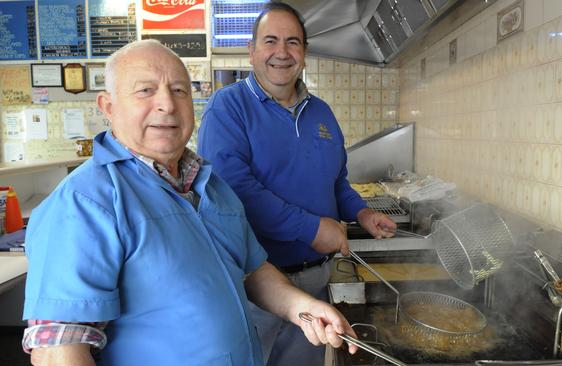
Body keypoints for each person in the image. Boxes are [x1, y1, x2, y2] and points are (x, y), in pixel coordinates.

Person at [21, 39, 358, 366]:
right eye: (146, 90)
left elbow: (254, 271)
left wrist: (303, 307)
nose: (167, 104)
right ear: (108, 107)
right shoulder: (83, 203)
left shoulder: (211, 186)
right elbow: (59, 350)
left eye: (179, 90)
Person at [197, 3, 397, 365]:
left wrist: (362, 211)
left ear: (304, 53)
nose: (282, 52)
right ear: (252, 51)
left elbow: (336, 180)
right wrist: (309, 228)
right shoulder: (227, 107)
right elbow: (235, 190)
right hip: (254, 286)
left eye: (293, 42)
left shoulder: (320, 112)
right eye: (270, 41)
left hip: (316, 281)